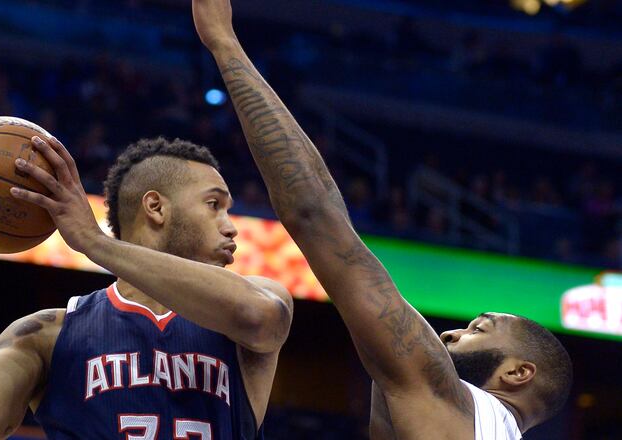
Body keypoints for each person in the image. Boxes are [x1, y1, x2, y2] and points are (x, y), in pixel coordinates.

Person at [190, 0, 572, 438]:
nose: (446, 336)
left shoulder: (461, 403)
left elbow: (314, 214)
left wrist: (224, 44)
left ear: (517, 374)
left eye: (476, 330)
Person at [0, 136, 293, 439]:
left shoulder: (255, 306)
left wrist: (93, 242)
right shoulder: (48, 334)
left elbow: (258, 316)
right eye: (214, 204)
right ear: (155, 208)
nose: (231, 227)